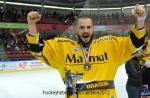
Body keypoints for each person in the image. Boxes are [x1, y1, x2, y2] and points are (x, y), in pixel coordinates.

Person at [26, 4, 147, 98]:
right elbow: (37, 50)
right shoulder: (62, 48)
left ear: (93, 29)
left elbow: (135, 45)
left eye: (88, 27)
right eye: (82, 27)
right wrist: (32, 25)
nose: (85, 31)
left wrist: (141, 20)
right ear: (76, 29)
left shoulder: (109, 45)